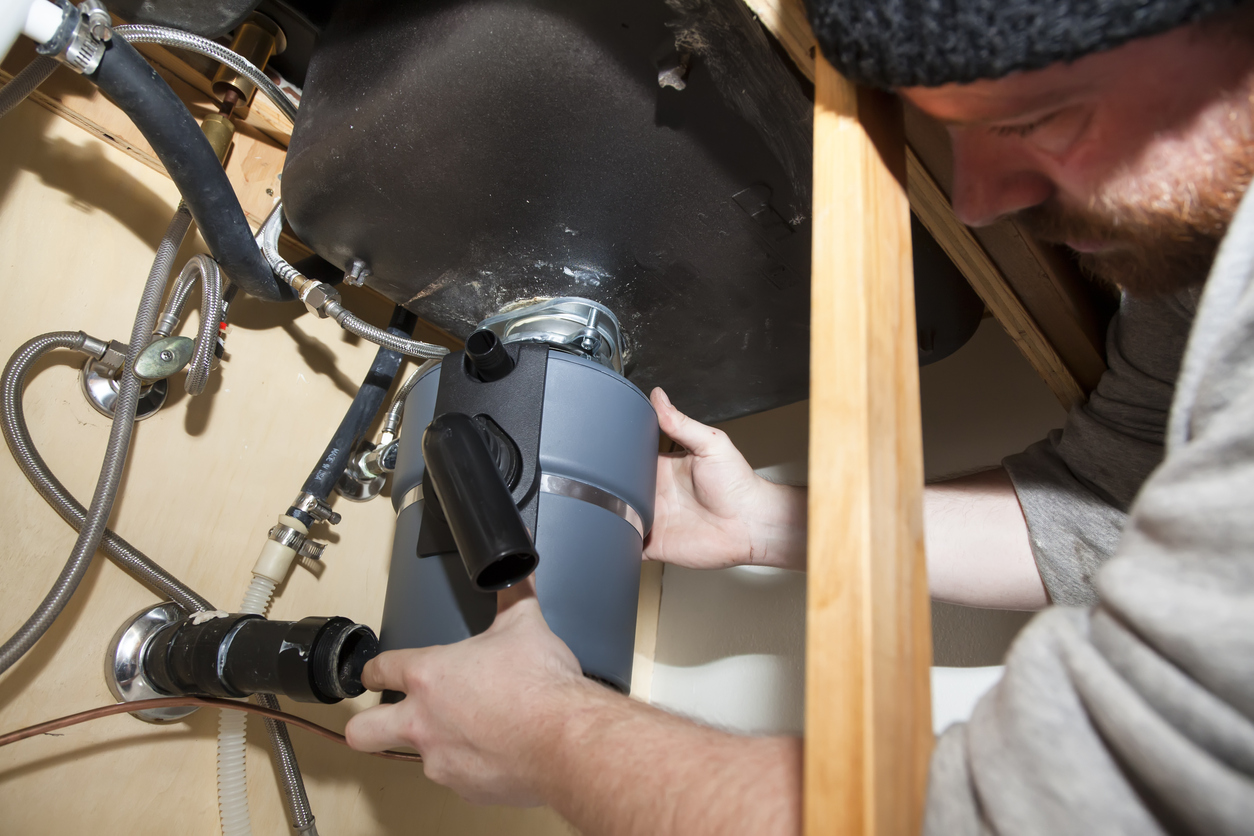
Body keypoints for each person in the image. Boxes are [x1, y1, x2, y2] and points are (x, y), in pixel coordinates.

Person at [346, 0, 1254, 832]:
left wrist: (547, 733)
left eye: (1033, 118)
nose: (977, 202)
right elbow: (1107, 507)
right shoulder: (1193, 287)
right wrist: (771, 523)